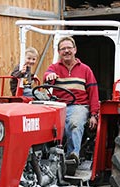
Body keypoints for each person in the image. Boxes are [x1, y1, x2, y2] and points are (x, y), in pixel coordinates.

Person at [43, 36, 99, 164]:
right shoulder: (54, 68)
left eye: (69, 48)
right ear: (59, 52)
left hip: (79, 105)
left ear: (75, 50)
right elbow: (47, 76)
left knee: (74, 123)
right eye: (63, 49)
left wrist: (94, 115)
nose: (66, 51)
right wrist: (49, 76)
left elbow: (93, 93)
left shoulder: (85, 70)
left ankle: (72, 157)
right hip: (58, 105)